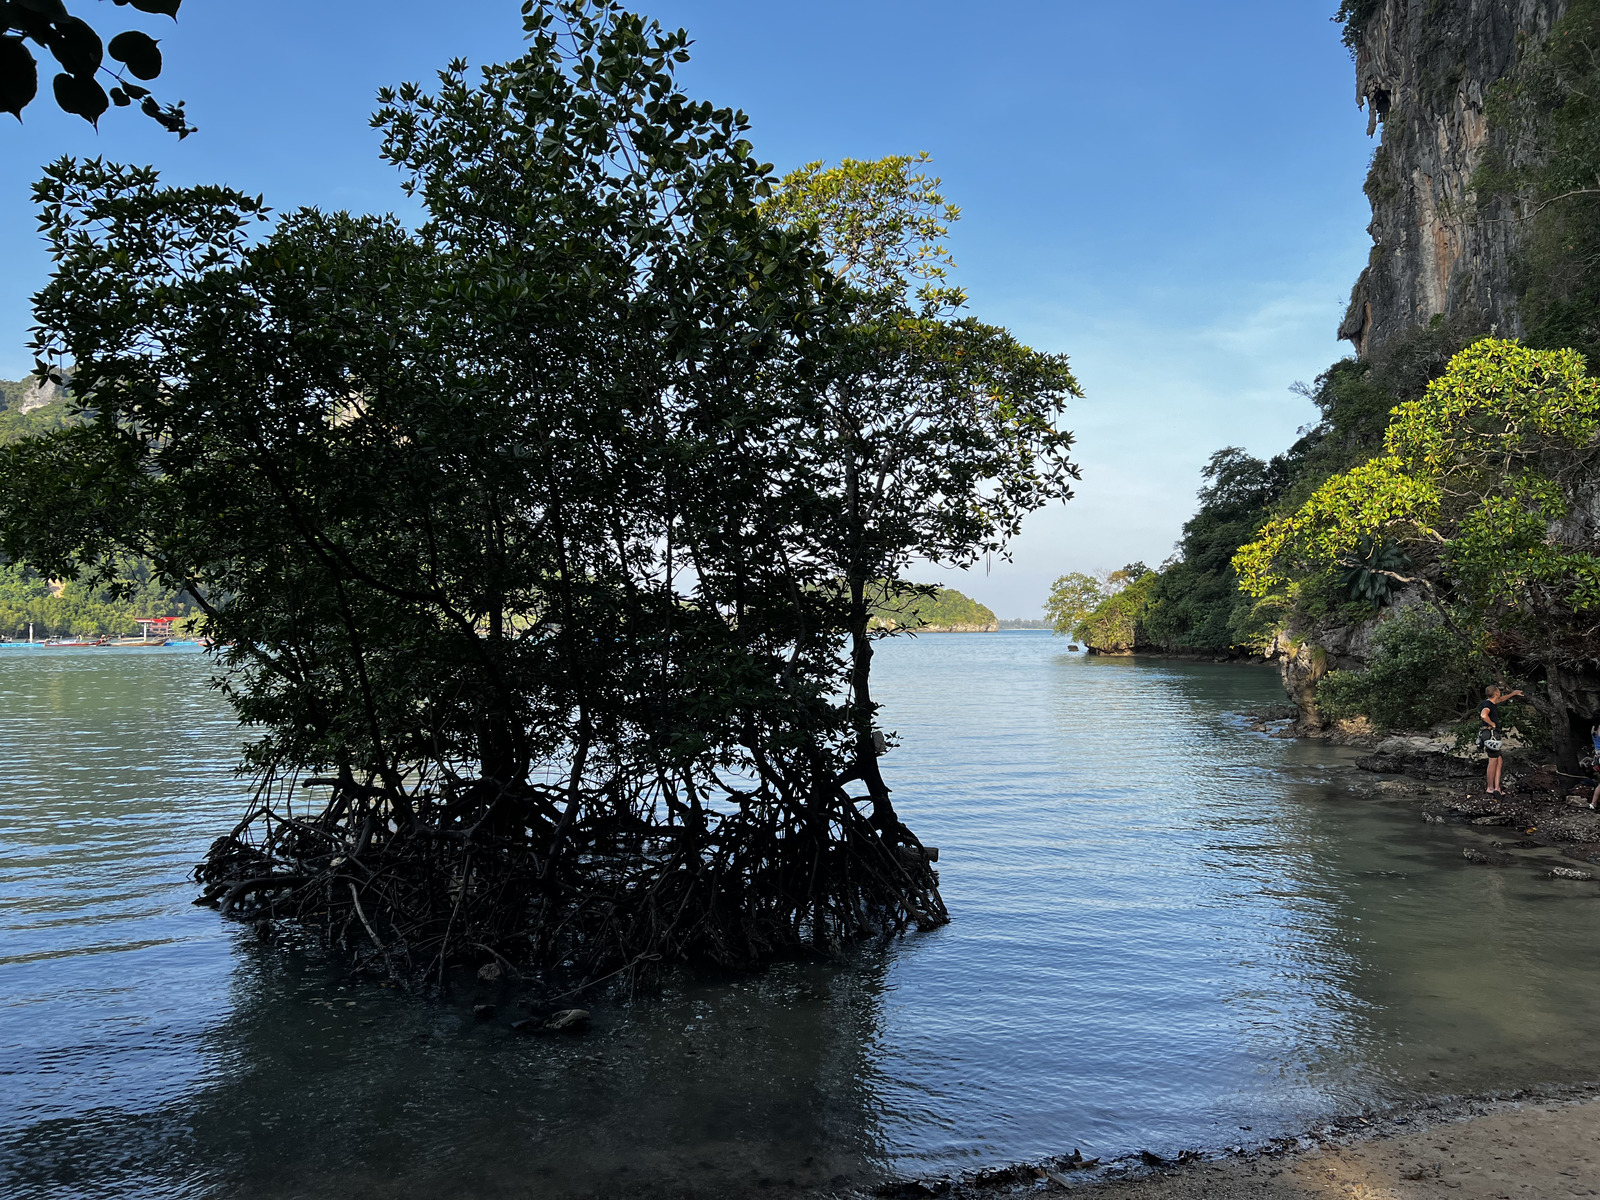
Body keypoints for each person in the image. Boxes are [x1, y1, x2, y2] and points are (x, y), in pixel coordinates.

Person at [1479, 685, 1524, 796]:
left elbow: (1501, 699)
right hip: (1490, 734)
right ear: (1496, 693)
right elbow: (1483, 715)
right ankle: (1490, 787)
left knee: (1499, 761)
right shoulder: (1487, 705)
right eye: (1499, 691)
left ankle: (1497, 787)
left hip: (1493, 733)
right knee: (1493, 761)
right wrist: (1492, 724)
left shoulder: (1492, 702)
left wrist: (1513, 693)